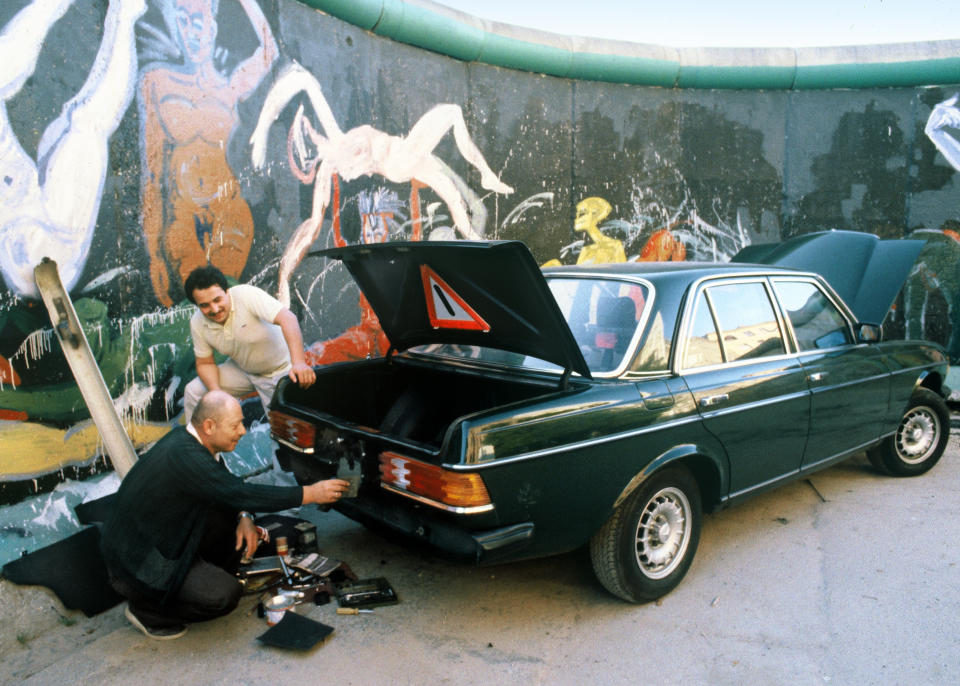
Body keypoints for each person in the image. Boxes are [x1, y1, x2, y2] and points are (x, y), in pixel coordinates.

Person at [100, 390, 350, 639]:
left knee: (239, 519)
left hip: (165, 536)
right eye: (235, 425)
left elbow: (228, 487)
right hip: (140, 563)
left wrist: (244, 517)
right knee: (224, 596)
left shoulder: (191, 442)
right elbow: (240, 491)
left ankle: (204, 575)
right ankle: (148, 611)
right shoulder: (185, 456)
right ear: (209, 426)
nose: (242, 430)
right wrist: (310, 493)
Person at [139, 0, 277, 305]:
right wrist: (155, 257)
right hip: (182, 214)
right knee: (198, 304)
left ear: (212, 28)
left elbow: (269, 51)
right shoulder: (158, 82)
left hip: (228, 209)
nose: (191, 31)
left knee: (227, 300)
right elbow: (152, 173)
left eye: (199, 22)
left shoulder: (229, 86)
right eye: (183, 21)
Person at [182, 265, 315, 423]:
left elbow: (288, 318)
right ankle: (196, 446)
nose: (215, 309)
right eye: (204, 305)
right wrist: (216, 393)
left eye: (217, 300)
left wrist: (299, 362)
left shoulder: (246, 295)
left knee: (285, 431)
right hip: (243, 371)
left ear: (227, 291)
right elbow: (205, 363)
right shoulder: (197, 322)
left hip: (279, 371)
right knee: (193, 391)